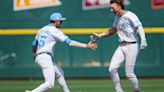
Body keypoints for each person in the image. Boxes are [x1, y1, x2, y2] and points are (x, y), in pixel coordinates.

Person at [25, 12, 97, 92]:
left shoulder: (42, 29)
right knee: (49, 84)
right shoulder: (54, 30)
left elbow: (34, 44)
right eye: (61, 21)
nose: (61, 23)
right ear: (56, 21)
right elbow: (70, 42)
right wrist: (86, 46)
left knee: (59, 72)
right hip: (45, 57)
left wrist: (35, 54)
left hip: (39, 57)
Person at [90, 0, 147, 92]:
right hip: (121, 46)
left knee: (129, 74)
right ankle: (118, 90)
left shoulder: (130, 15)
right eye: (110, 7)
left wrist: (143, 39)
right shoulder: (117, 16)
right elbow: (114, 29)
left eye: (113, 7)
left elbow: (139, 26)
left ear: (119, 6)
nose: (111, 10)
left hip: (132, 46)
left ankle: (136, 90)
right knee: (112, 68)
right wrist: (100, 35)